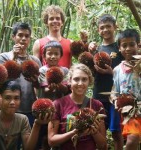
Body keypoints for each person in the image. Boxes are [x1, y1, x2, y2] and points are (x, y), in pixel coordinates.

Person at [48, 63, 107, 150]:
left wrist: (94, 132)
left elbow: (103, 145)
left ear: (89, 81)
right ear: (69, 81)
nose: (80, 83)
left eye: (84, 79)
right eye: (76, 79)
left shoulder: (97, 105)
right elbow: (51, 141)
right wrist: (75, 132)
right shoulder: (58, 104)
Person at [0, 22, 42, 127]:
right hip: (8, 108)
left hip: (29, 108)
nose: (23, 39)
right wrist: (14, 58)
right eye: (20, 35)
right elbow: (0, 80)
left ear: (30, 39)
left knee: (28, 141)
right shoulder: (4, 57)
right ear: (13, 37)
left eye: (27, 36)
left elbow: (39, 86)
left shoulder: (35, 61)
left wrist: (34, 80)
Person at [88, 14, 124, 150]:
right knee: (97, 130)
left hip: (115, 96)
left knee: (116, 131)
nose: (105, 30)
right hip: (98, 96)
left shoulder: (120, 47)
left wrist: (111, 72)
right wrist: (88, 48)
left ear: (115, 27)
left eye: (108, 26)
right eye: (102, 28)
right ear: (98, 30)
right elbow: (89, 70)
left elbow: (126, 70)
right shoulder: (96, 49)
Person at [0, 80, 52, 150]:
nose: (12, 102)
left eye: (16, 98)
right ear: (0, 98)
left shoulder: (22, 119)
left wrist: (37, 124)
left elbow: (28, 148)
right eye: (7, 98)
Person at [111, 29, 141, 150]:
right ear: (119, 48)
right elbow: (114, 91)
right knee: (132, 141)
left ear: (138, 45)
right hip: (130, 113)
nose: (128, 48)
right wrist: (115, 101)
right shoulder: (117, 70)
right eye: (124, 45)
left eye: (131, 44)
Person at [37, 40, 69, 150]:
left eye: (56, 53)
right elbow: (45, 88)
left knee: (56, 137)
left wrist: (59, 85)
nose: (53, 56)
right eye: (49, 53)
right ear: (44, 55)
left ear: (60, 55)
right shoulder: (42, 70)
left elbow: (65, 90)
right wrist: (52, 87)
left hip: (59, 111)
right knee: (43, 137)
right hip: (44, 109)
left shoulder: (64, 71)